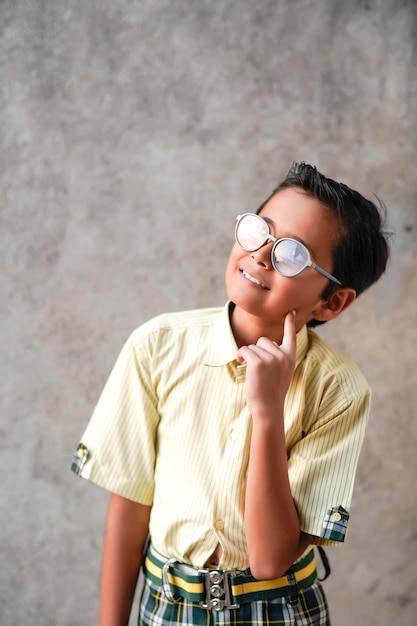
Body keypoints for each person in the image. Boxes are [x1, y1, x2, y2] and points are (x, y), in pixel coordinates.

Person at [71, 161, 390, 626]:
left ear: (332, 301)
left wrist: (267, 414)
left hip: (279, 610)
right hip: (166, 606)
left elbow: (268, 560)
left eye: (293, 255)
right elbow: (129, 507)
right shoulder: (157, 346)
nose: (262, 255)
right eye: (260, 230)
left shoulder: (338, 390)